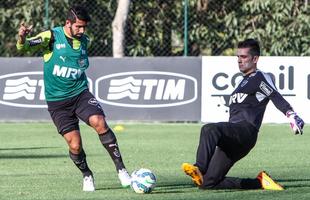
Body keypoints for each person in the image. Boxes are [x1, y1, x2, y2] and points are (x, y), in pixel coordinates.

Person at [16, 6, 131, 192]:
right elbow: (23, 46)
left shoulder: (84, 40)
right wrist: (22, 36)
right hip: (57, 103)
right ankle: (87, 174)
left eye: (84, 27)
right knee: (75, 145)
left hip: (80, 94)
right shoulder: (51, 36)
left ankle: (122, 170)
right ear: (67, 23)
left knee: (99, 122)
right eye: (78, 27)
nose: (82, 30)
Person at [182, 38, 304, 190]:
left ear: (255, 59)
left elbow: (274, 95)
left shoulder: (260, 77)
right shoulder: (243, 82)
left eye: (244, 57)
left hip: (245, 131)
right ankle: (259, 182)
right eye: (238, 57)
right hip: (233, 138)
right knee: (207, 183)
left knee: (209, 129)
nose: (239, 60)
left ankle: (199, 167)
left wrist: (290, 114)